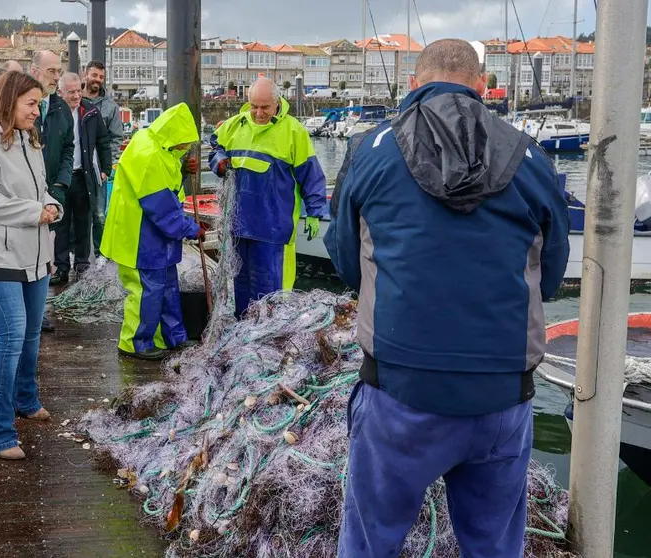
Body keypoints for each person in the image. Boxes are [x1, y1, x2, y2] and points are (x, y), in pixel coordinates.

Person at [326, 39, 570, 557]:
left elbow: (346, 257)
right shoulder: (530, 157)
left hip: (400, 390)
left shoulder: (372, 151)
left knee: (371, 540)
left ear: (415, 83)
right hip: (502, 393)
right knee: (494, 544)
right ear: (483, 85)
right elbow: (549, 275)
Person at [0, 71, 62, 460]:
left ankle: (25, 399)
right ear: (9, 102)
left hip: (35, 255)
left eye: (38, 104)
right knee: (11, 336)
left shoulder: (29, 141)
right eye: (31, 104)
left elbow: (39, 192)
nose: (37, 111)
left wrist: (53, 207)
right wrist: (35, 212)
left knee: (32, 334)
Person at [208, 77, 326, 317]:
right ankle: (243, 335)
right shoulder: (234, 125)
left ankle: (271, 339)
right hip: (239, 226)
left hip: (274, 229)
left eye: (264, 107)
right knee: (242, 286)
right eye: (253, 106)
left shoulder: (294, 131)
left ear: (277, 103)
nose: (258, 113)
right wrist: (219, 162)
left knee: (271, 293)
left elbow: (311, 175)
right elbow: (215, 145)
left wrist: (315, 212)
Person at [100, 103, 204, 361]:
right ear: (175, 136)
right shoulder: (148, 156)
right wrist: (191, 229)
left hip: (155, 236)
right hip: (138, 236)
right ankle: (136, 342)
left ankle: (172, 337)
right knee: (146, 291)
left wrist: (181, 169)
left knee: (167, 287)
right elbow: (162, 209)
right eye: (185, 144)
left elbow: (167, 187)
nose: (186, 149)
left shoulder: (158, 144)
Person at [51, 72, 112, 284]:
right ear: (61, 92)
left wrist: (106, 169)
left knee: (83, 220)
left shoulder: (91, 111)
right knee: (61, 223)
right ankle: (61, 267)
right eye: (71, 92)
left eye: (79, 90)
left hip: (83, 174)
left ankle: (82, 263)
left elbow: (103, 141)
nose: (77, 96)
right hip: (60, 177)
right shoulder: (54, 112)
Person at [31, 49, 75, 332]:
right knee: (27, 257)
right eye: (51, 71)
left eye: (59, 71)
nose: (56, 77)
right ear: (35, 71)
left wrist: (61, 184)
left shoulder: (61, 108)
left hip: (53, 193)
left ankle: (39, 311)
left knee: (46, 256)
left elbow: (69, 148)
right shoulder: (22, 104)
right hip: (26, 194)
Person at [82, 60, 125, 259]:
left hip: (98, 167)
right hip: (75, 166)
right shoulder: (74, 99)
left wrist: (107, 164)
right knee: (75, 213)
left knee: (99, 214)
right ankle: (76, 255)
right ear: (85, 74)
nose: (97, 80)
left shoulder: (110, 106)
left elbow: (116, 137)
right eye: (94, 75)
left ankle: (100, 253)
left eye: (101, 77)